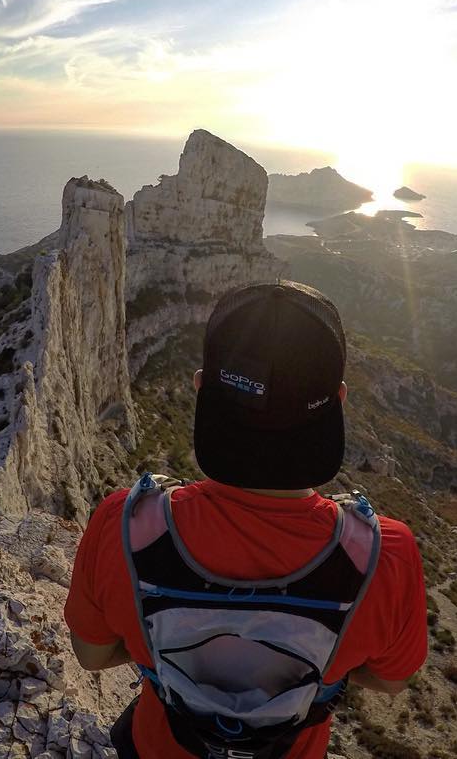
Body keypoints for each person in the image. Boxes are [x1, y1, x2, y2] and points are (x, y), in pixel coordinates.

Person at [65, 280, 428, 759]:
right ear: (338, 400)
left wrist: (154, 647)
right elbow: (391, 678)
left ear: (200, 387)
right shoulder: (386, 554)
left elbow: (91, 657)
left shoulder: (125, 525)